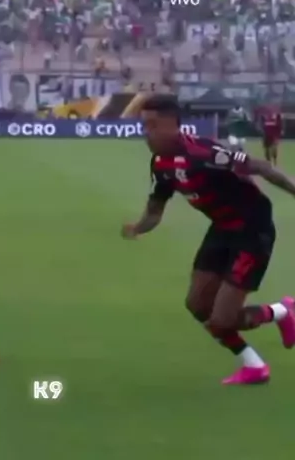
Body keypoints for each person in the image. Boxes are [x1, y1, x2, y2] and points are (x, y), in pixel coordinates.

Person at [122, 93, 295, 385]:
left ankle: (283, 311)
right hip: (222, 229)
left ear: (172, 125)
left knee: (222, 320)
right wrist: (138, 227)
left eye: (152, 126)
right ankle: (254, 366)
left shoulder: (204, 153)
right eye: (144, 126)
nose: (145, 133)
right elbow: (155, 210)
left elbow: (261, 167)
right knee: (197, 305)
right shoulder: (161, 164)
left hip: (253, 230)